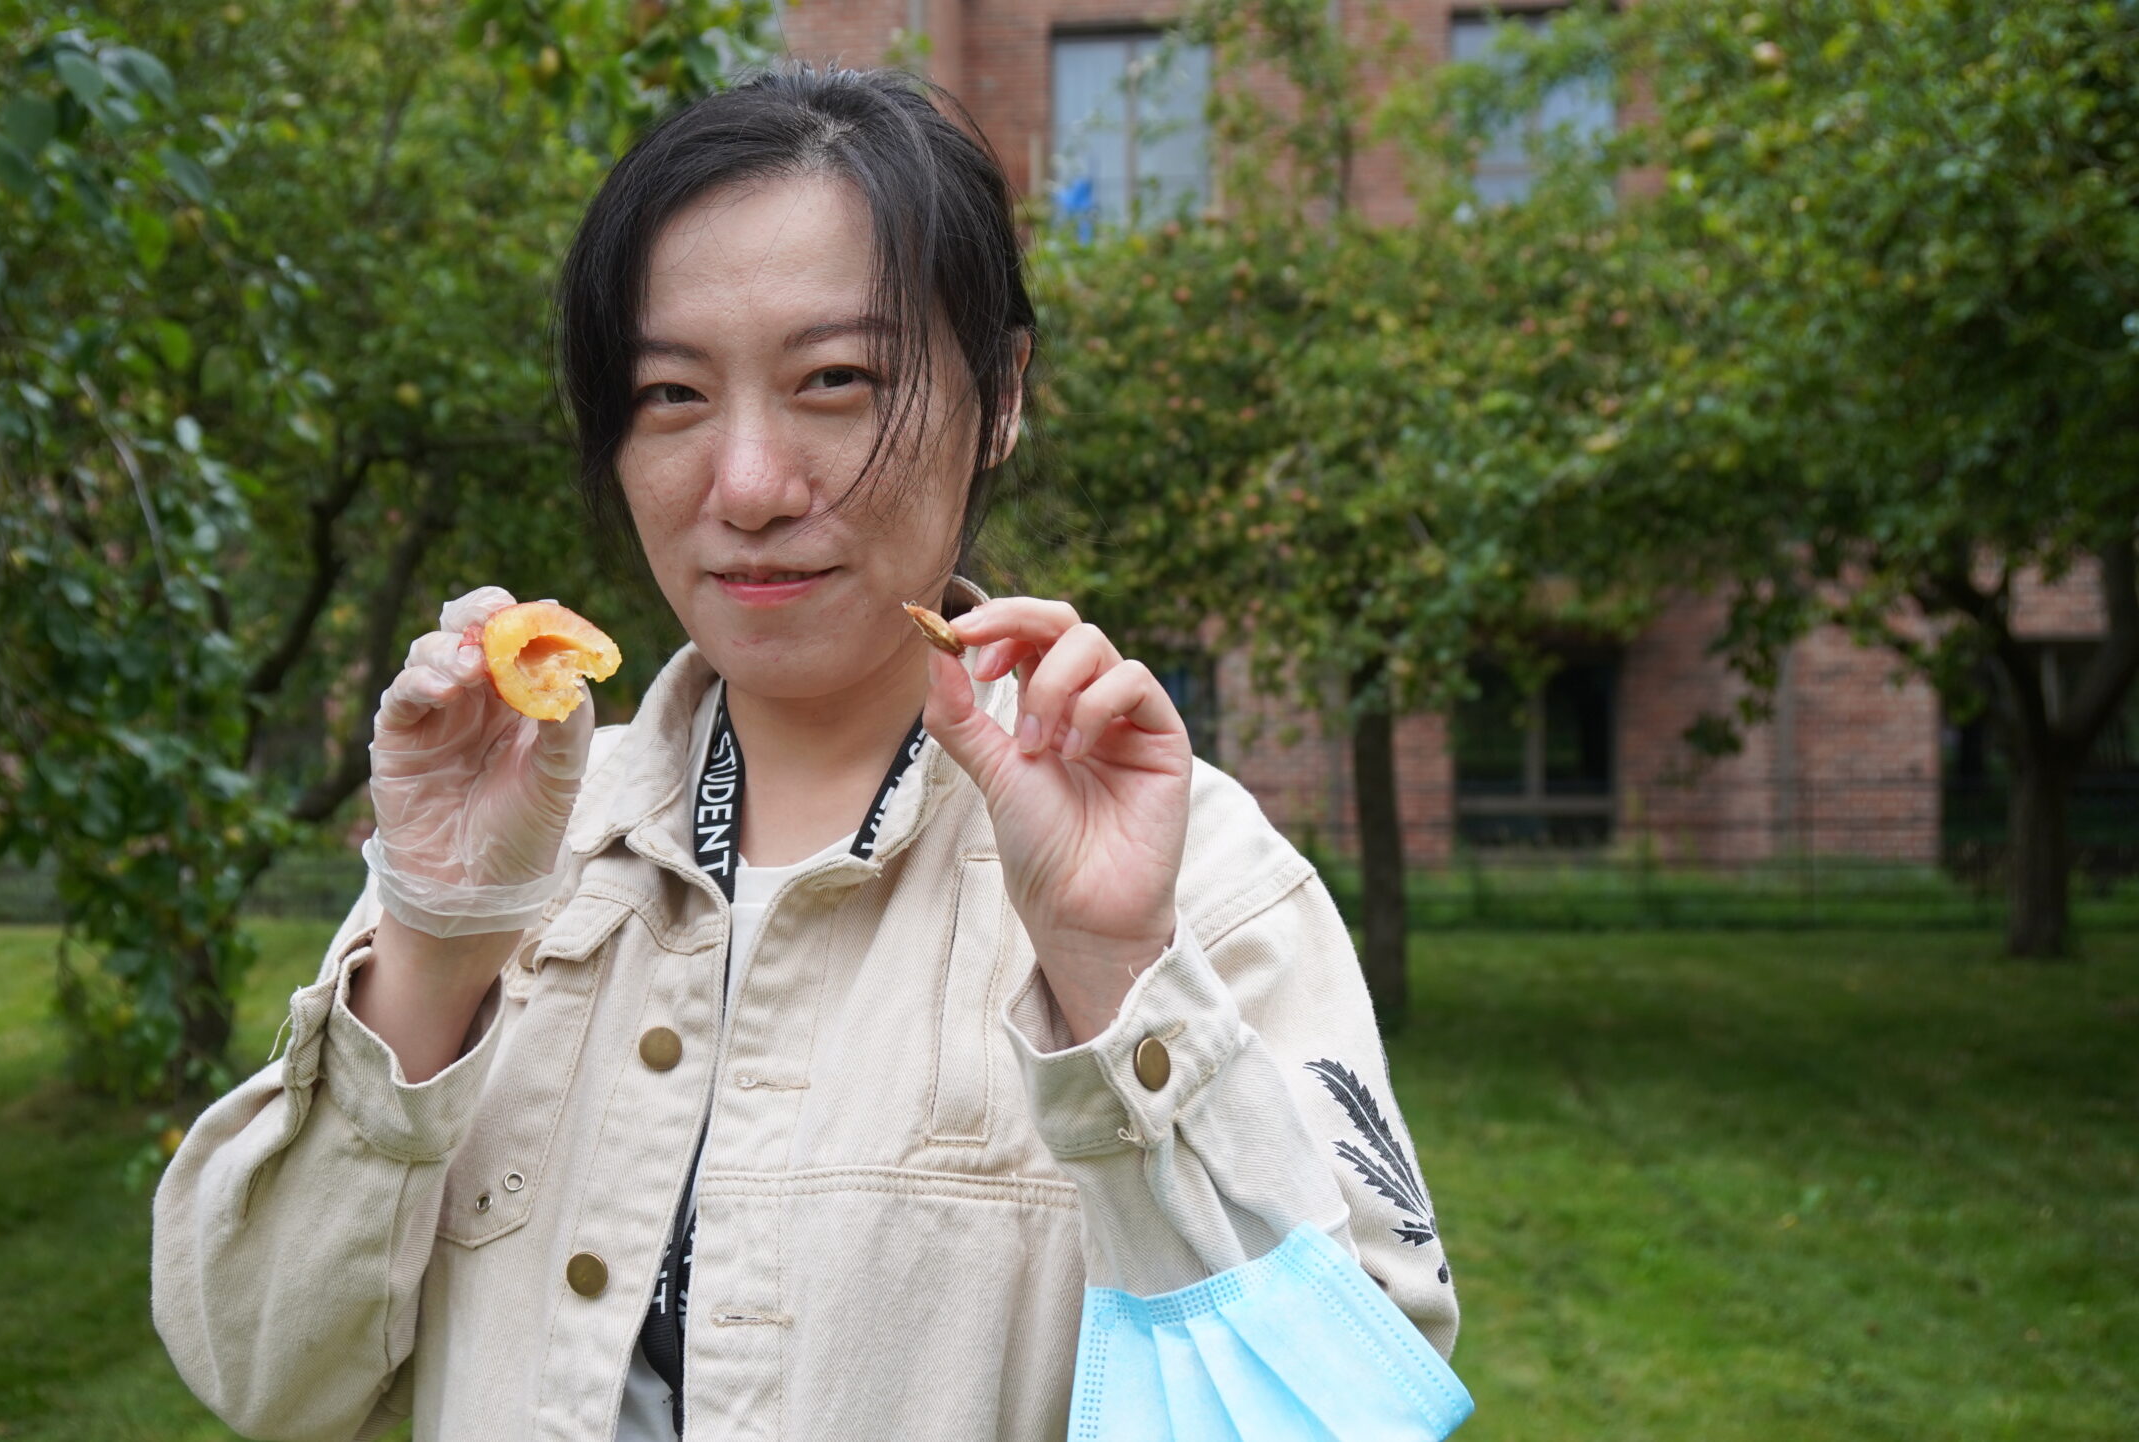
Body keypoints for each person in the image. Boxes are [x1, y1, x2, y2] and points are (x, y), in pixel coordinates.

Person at [153, 63, 1458, 1441]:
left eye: (836, 379)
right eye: (670, 394)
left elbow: (1351, 1410)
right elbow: (263, 1374)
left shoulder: (1193, 882)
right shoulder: (525, 850)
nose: (752, 486)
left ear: (1001, 393)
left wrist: (1112, 974)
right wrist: (431, 940)